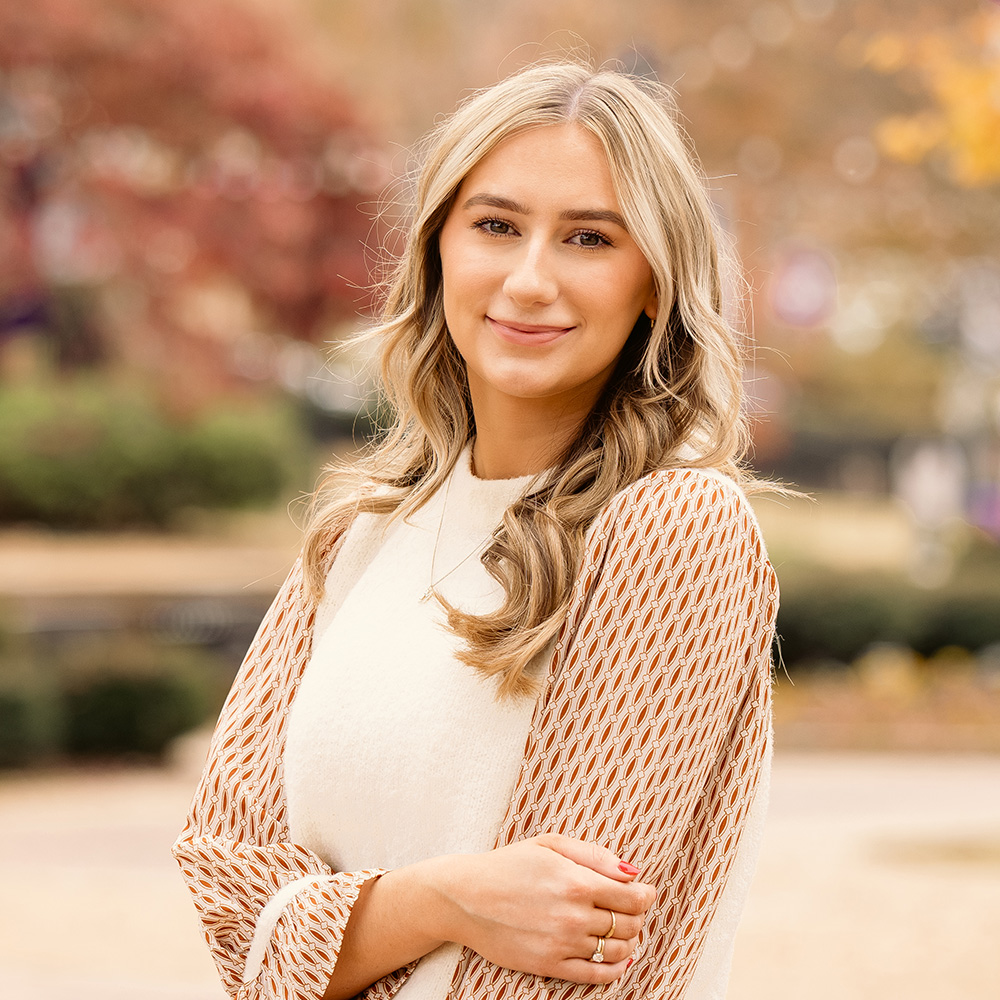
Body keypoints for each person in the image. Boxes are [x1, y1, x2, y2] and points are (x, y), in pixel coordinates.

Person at [173, 60, 778, 1000]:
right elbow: (225, 889)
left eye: (588, 239)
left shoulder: (674, 527)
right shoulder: (359, 537)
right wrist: (445, 901)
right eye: (496, 226)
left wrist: (324, 936)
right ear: (439, 251)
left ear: (653, 284)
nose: (529, 280)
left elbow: (567, 954)